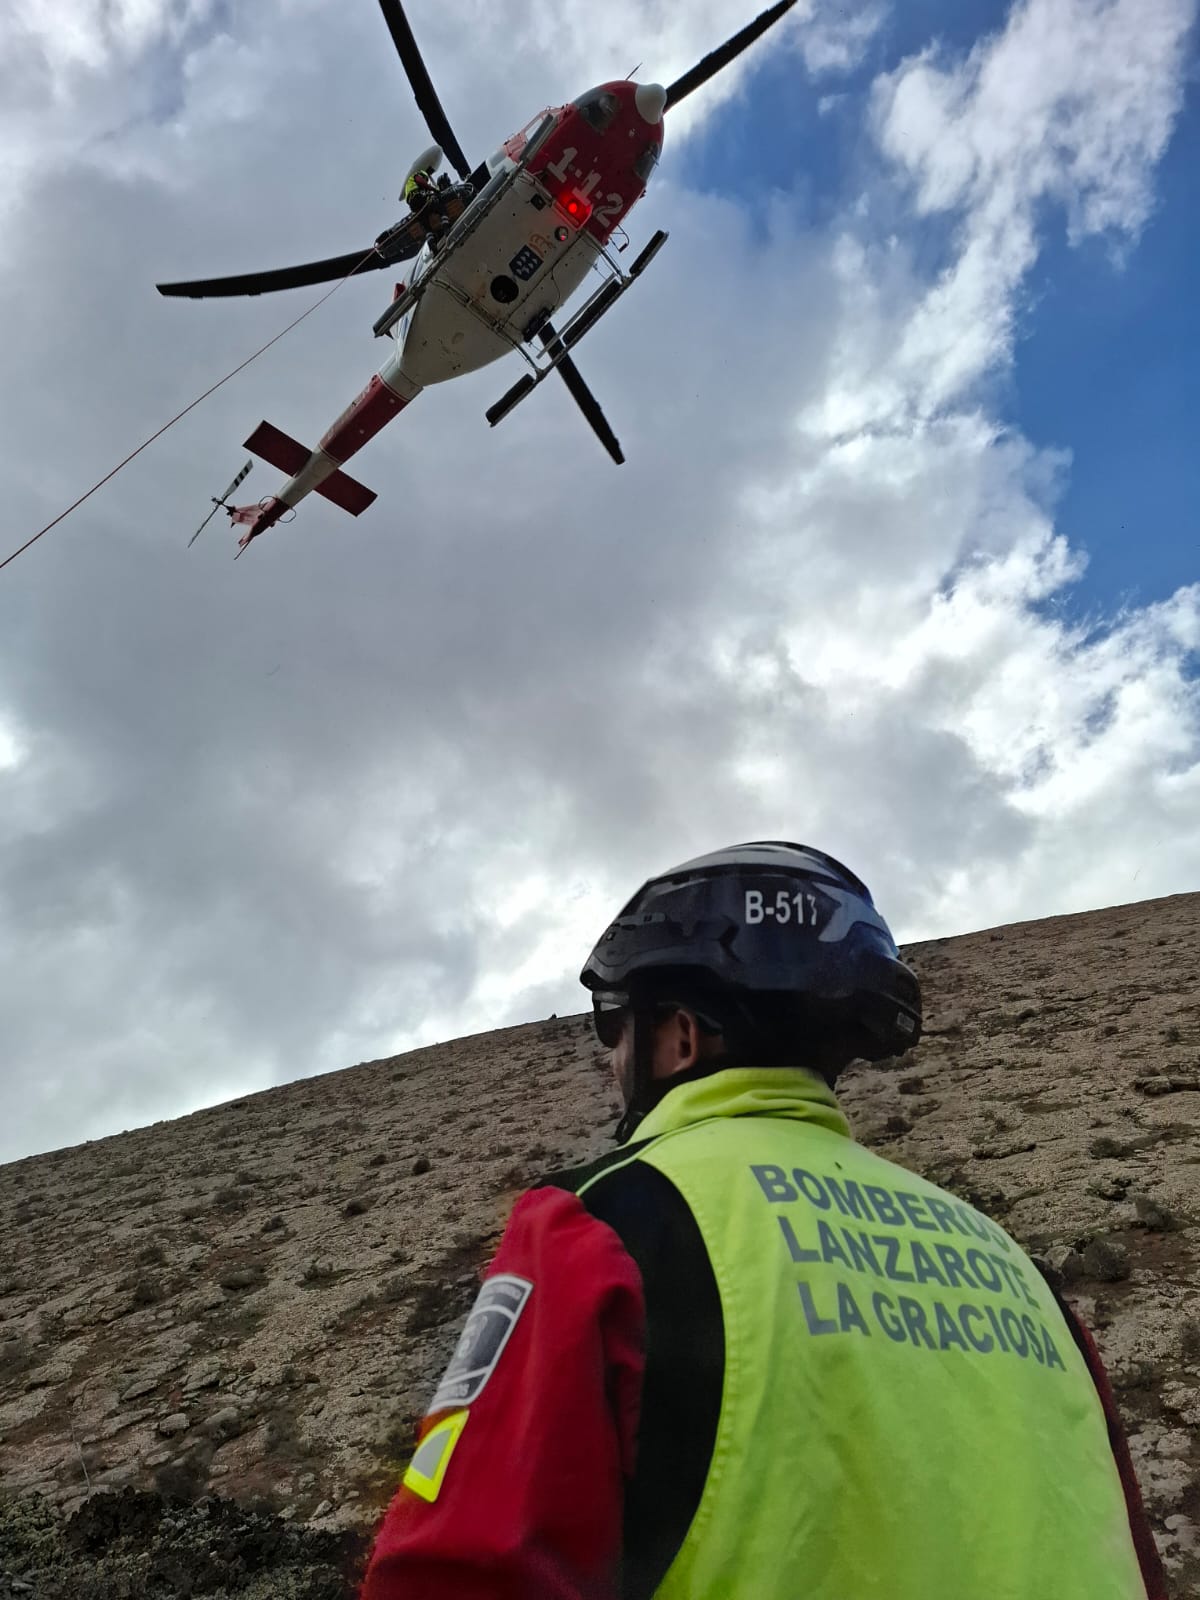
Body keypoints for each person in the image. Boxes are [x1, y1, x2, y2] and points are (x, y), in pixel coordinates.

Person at [360, 842, 1166, 1600]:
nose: (610, 1059)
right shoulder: (1015, 1266)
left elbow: (463, 1567)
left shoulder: (604, 1215)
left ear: (678, 1034)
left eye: (615, 1026)